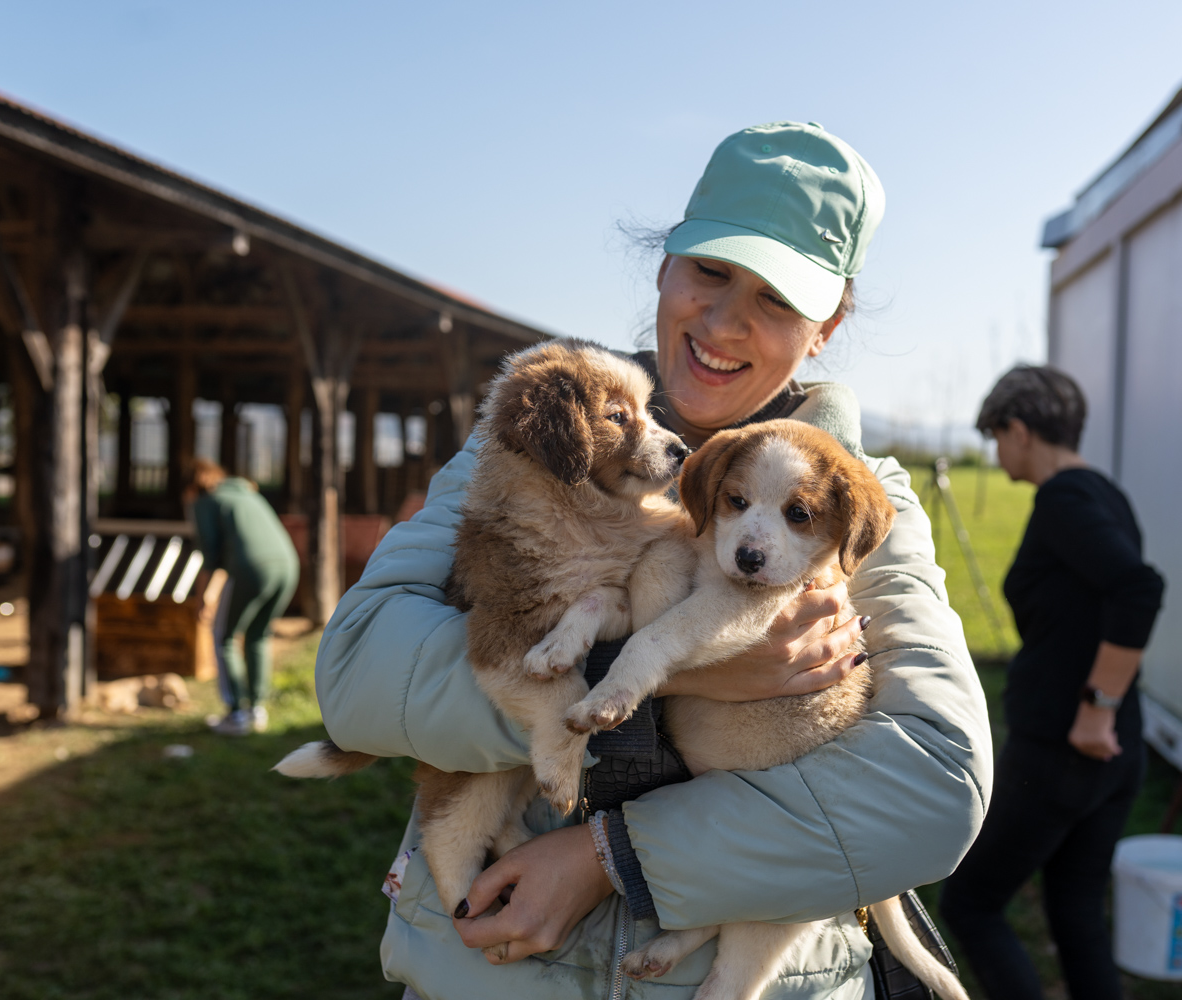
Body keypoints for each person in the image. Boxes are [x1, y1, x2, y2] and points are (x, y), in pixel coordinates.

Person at [317, 122, 992, 999]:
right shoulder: (533, 443)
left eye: (778, 301)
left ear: (825, 329)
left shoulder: (863, 505)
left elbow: (937, 785)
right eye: (710, 272)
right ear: (665, 266)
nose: (723, 320)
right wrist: (670, 678)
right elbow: (356, 673)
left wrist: (611, 858)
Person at [939, 366, 1165, 1000]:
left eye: (996, 437)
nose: (997, 452)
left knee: (972, 905)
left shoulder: (1064, 501)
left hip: (1063, 751)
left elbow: (1138, 590)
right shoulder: (1106, 493)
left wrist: (1097, 707)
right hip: (1118, 756)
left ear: (1019, 429)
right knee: (1077, 912)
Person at [186, 458, 300, 736]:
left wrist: (202, 599)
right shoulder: (247, 494)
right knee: (258, 635)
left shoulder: (206, 501)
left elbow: (210, 557)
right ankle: (257, 710)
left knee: (224, 636)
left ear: (192, 485)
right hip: (288, 565)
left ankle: (236, 714)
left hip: (253, 569)